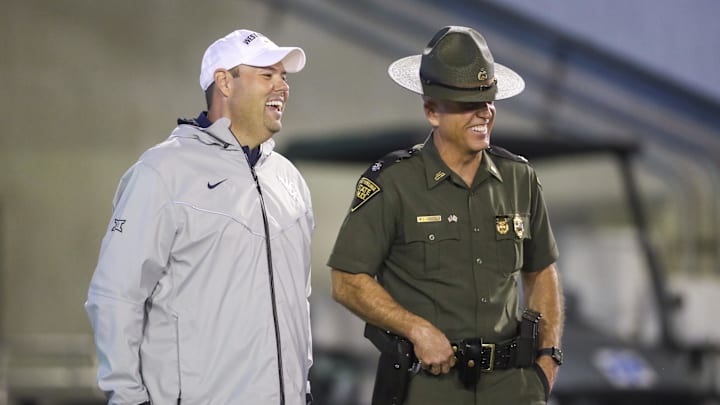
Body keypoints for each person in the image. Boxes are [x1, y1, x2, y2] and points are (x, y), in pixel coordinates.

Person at [328, 26, 564, 405]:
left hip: (513, 390)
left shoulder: (520, 178)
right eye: (467, 103)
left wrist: (548, 358)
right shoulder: (393, 183)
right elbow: (348, 280)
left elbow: (541, 270)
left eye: (487, 100)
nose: (483, 112)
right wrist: (416, 329)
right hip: (425, 389)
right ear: (431, 111)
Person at [85, 29, 314, 405]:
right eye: (267, 75)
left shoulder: (289, 179)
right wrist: (127, 397)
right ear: (224, 82)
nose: (282, 87)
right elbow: (114, 296)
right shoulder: (162, 171)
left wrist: (301, 388)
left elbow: (297, 303)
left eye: (284, 77)